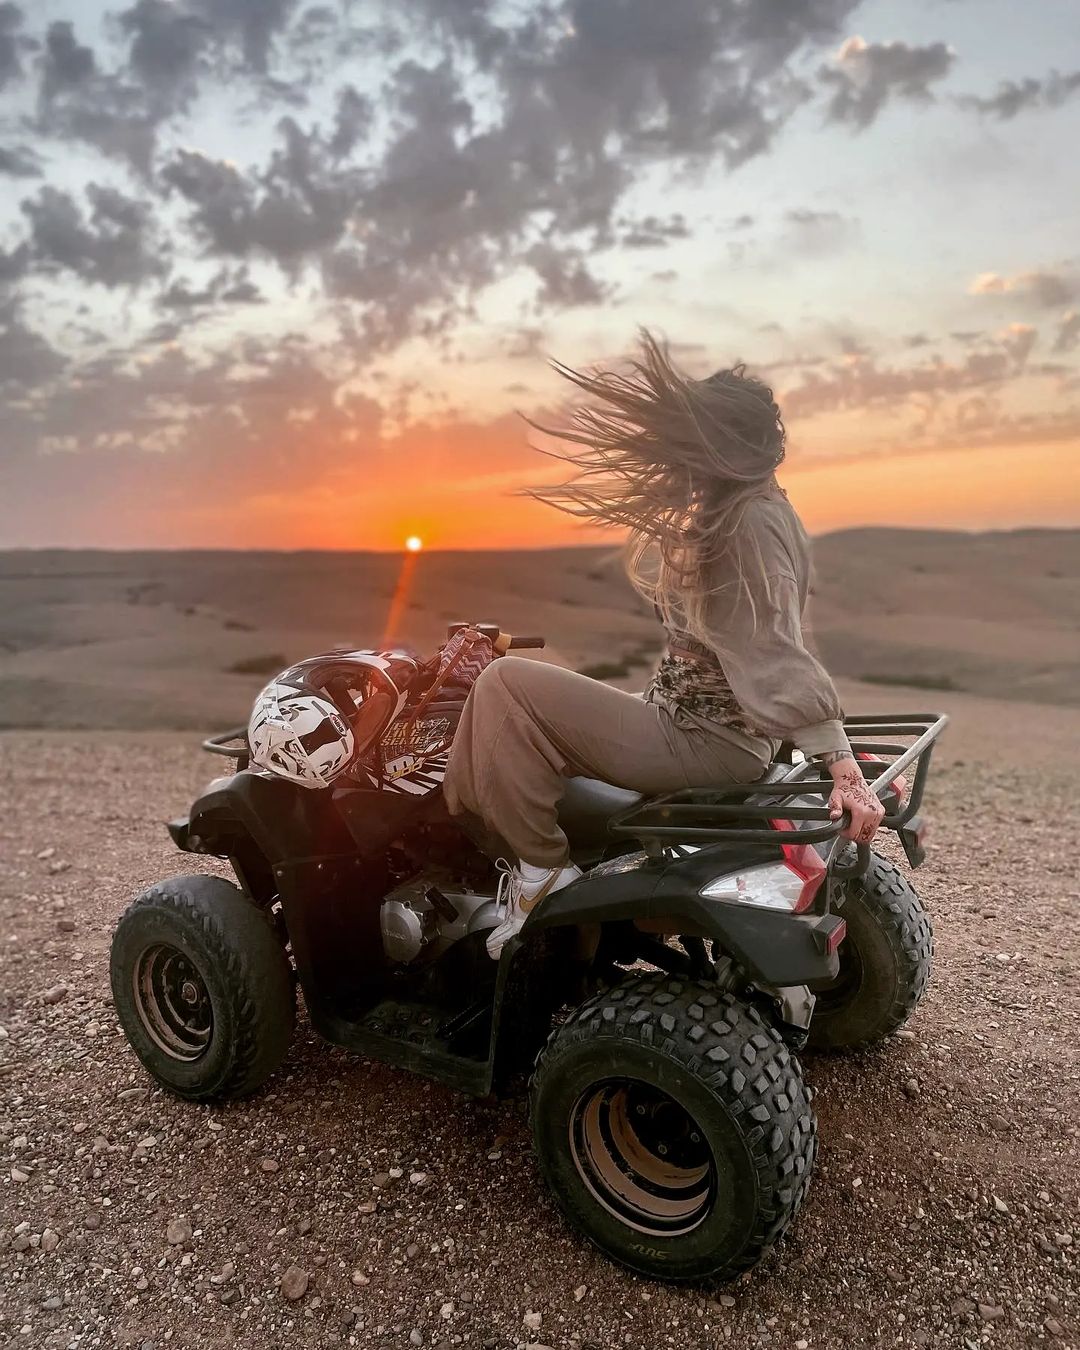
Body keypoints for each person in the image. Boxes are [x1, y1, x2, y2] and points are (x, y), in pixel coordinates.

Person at [443, 329, 901, 959]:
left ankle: (540, 874)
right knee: (541, 699)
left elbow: (772, 645)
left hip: (704, 738)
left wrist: (839, 763)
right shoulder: (763, 506)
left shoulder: (746, 524)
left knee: (504, 683)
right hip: (700, 719)